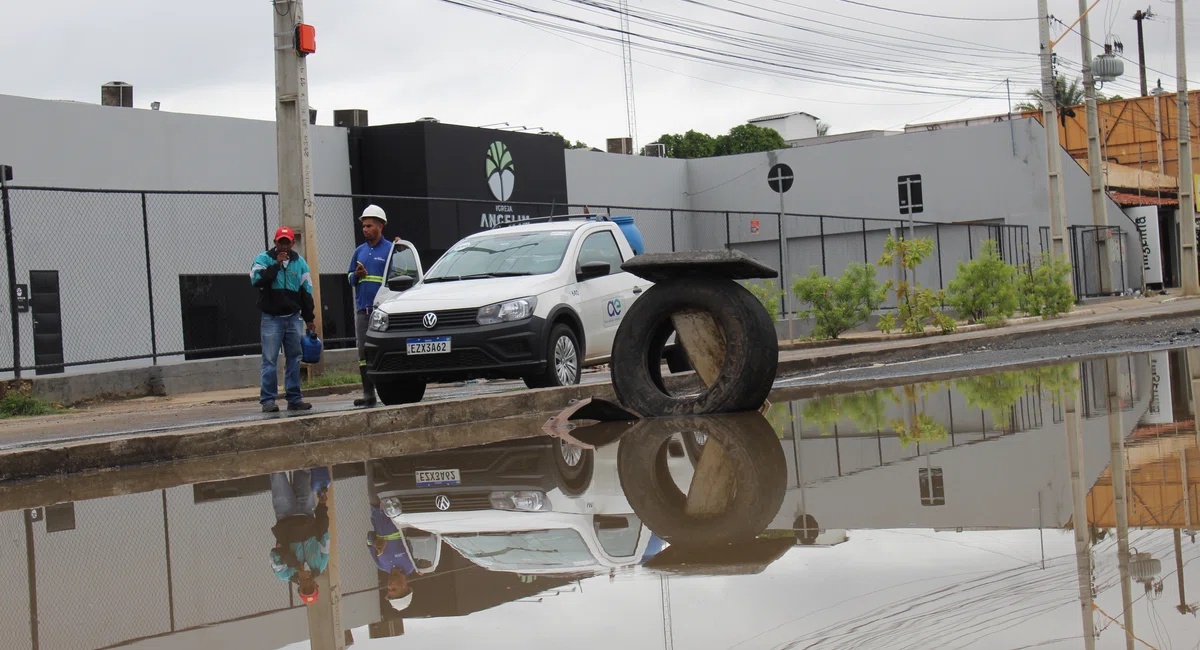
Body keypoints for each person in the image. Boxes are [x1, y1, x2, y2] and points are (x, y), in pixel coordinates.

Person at [251, 226, 316, 412]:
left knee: (294, 358)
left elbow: (306, 292)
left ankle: (294, 399)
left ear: (293, 243)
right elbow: (257, 280)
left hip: (294, 318)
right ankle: (268, 400)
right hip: (272, 318)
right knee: (270, 360)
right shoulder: (263, 259)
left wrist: (309, 318)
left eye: (288, 243)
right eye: (281, 242)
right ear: (275, 242)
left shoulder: (300, 263)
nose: (284, 247)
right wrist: (276, 266)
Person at [347, 205, 402, 408]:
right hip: (364, 311)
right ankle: (368, 394)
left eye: (369, 225)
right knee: (364, 354)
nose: (365, 229)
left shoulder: (391, 249)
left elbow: (402, 273)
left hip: (384, 311)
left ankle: (393, 391)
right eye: (363, 226)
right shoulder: (359, 252)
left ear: (381, 226)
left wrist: (400, 247)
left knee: (386, 351)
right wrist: (356, 276)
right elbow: (349, 277)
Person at [268, 470, 330, 605]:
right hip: (306, 511)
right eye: (311, 588)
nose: (307, 585)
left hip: (285, 514)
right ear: (316, 585)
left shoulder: (284, 573)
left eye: (304, 589)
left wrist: (296, 566)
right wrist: (322, 506)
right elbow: (323, 531)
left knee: (277, 474)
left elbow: (275, 554)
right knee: (303, 470)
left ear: (299, 589)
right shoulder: (321, 564)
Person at [368, 504, 416, 613]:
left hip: (376, 507)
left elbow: (368, 536)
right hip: (397, 507)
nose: (389, 586)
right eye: (393, 589)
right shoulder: (412, 563)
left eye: (388, 590)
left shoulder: (381, 565)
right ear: (405, 587)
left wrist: (374, 542)